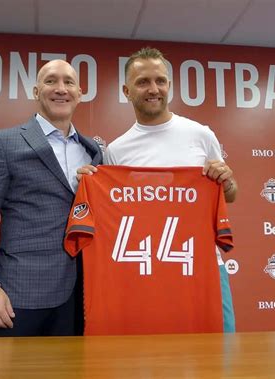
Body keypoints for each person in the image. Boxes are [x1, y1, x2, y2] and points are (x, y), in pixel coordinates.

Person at [78, 47, 238, 332]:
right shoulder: (116, 150)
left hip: (202, 267)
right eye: (143, 82)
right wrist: (90, 183)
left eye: (160, 81)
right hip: (146, 270)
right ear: (127, 91)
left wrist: (228, 180)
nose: (154, 89)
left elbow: (228, 195)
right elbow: (113, 215)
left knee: (218, 356)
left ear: (170, 86)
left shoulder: (200, 134)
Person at [0, 59, 102, 337]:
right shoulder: (5, 143)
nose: (61, 89)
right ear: (36, 91)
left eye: (69, 82)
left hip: (80, 297)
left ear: (80, 93)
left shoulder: (94, 152)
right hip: (17, 296)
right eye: (51, 81)